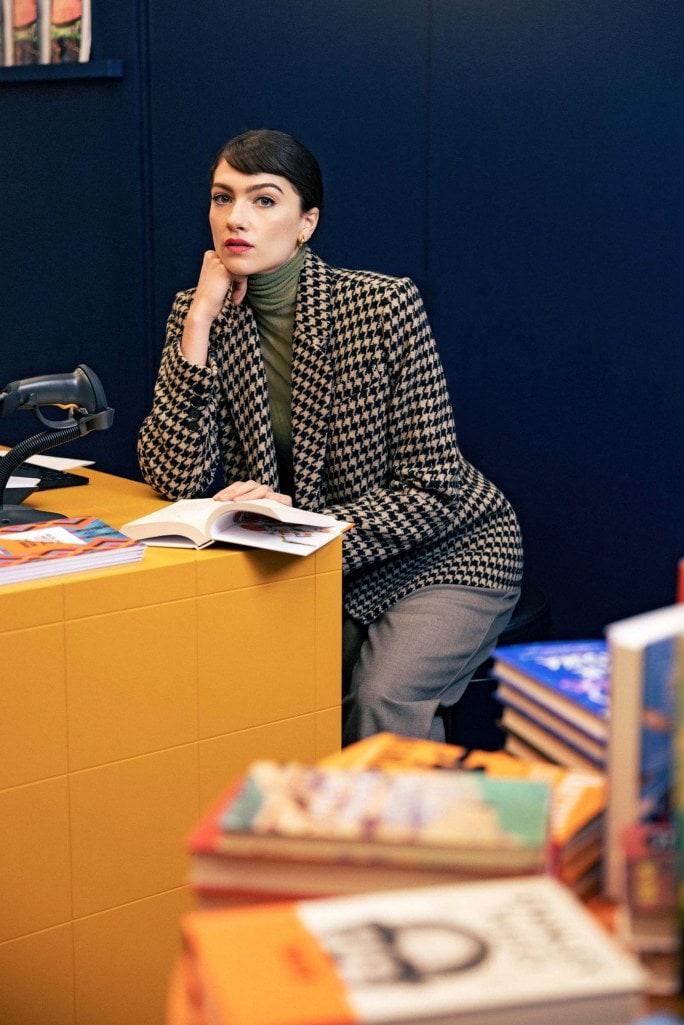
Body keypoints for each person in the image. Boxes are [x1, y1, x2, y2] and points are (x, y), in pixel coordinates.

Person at [138, 128, 523, 744]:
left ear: (305, 223)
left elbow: (433, 491)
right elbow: (174, 476)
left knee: (381, 696)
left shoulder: (380, 306)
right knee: (258, 691)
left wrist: (299, 521)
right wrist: (199, 323)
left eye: (264, 200)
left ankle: (402, 842)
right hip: (324, 564)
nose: (236, 217)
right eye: (221, 197)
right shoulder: (200, 310)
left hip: (447, 552)